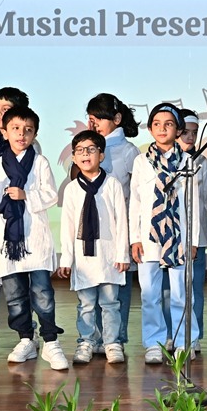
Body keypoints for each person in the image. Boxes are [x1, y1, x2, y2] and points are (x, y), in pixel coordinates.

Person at [0, 106, 67, 369]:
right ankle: (26, 339)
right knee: (15, 295)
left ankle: (50, 341)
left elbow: (51, 195)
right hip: (9, 241)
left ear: (35, 134)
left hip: (35, 237)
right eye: (15, 128)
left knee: (42, 293)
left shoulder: (40, 162)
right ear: (5, 132)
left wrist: (26, 195)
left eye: (28, 130)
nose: (21, 134)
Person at [128, 103, 204, 363]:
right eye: (157, 124)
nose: (162, 129)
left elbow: (193, 204)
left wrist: (193, 240)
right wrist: (134, 239)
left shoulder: (187, 161)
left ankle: (185, 341)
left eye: (169, 124)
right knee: (150, 294)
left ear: (178, 130)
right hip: (149, 237)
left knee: (182, 293)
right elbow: (135, 202)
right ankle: (154, 343)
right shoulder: (141, 161)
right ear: (150, 129)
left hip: (179, 236)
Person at [57, 130, 129, 364]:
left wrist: (122, 254)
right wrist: (66, 259)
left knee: (110, 304)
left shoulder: (112, 185)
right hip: (83, 258)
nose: (85, 154)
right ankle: (86, 341)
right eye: (80, 150)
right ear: (74, 157)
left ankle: (112, 343)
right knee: (86, 304)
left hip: (109, 256)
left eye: (91, 149)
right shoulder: (71, 189)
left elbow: (121, 221)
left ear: (101, 155)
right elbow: (68, 226)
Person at [85, 93, 140, 353]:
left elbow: (137, 195)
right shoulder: (87, 146)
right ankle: (94, 338)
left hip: (120, 229)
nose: (93, 123)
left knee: (118, 288)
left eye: (99, 118)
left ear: (116, 119)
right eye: (90, 118)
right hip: (91, 228)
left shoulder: (129, 151)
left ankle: (115, 339)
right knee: (92, 284)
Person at [0, 86, 33, 347]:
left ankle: (29, 332)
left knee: (18, 279)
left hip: (15, 217)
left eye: (6, 109)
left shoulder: (27, 145)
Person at [175, 108, 207, 351]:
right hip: (171, 236)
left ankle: (193, 336)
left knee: (194, 289)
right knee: (171, 290)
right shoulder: (164, 159)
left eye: (194, 133)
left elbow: (205, 199)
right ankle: (172, 334)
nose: (190, 137)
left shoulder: (202, 162)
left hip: (197, 237)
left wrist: (197, 236)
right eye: (185, 132)